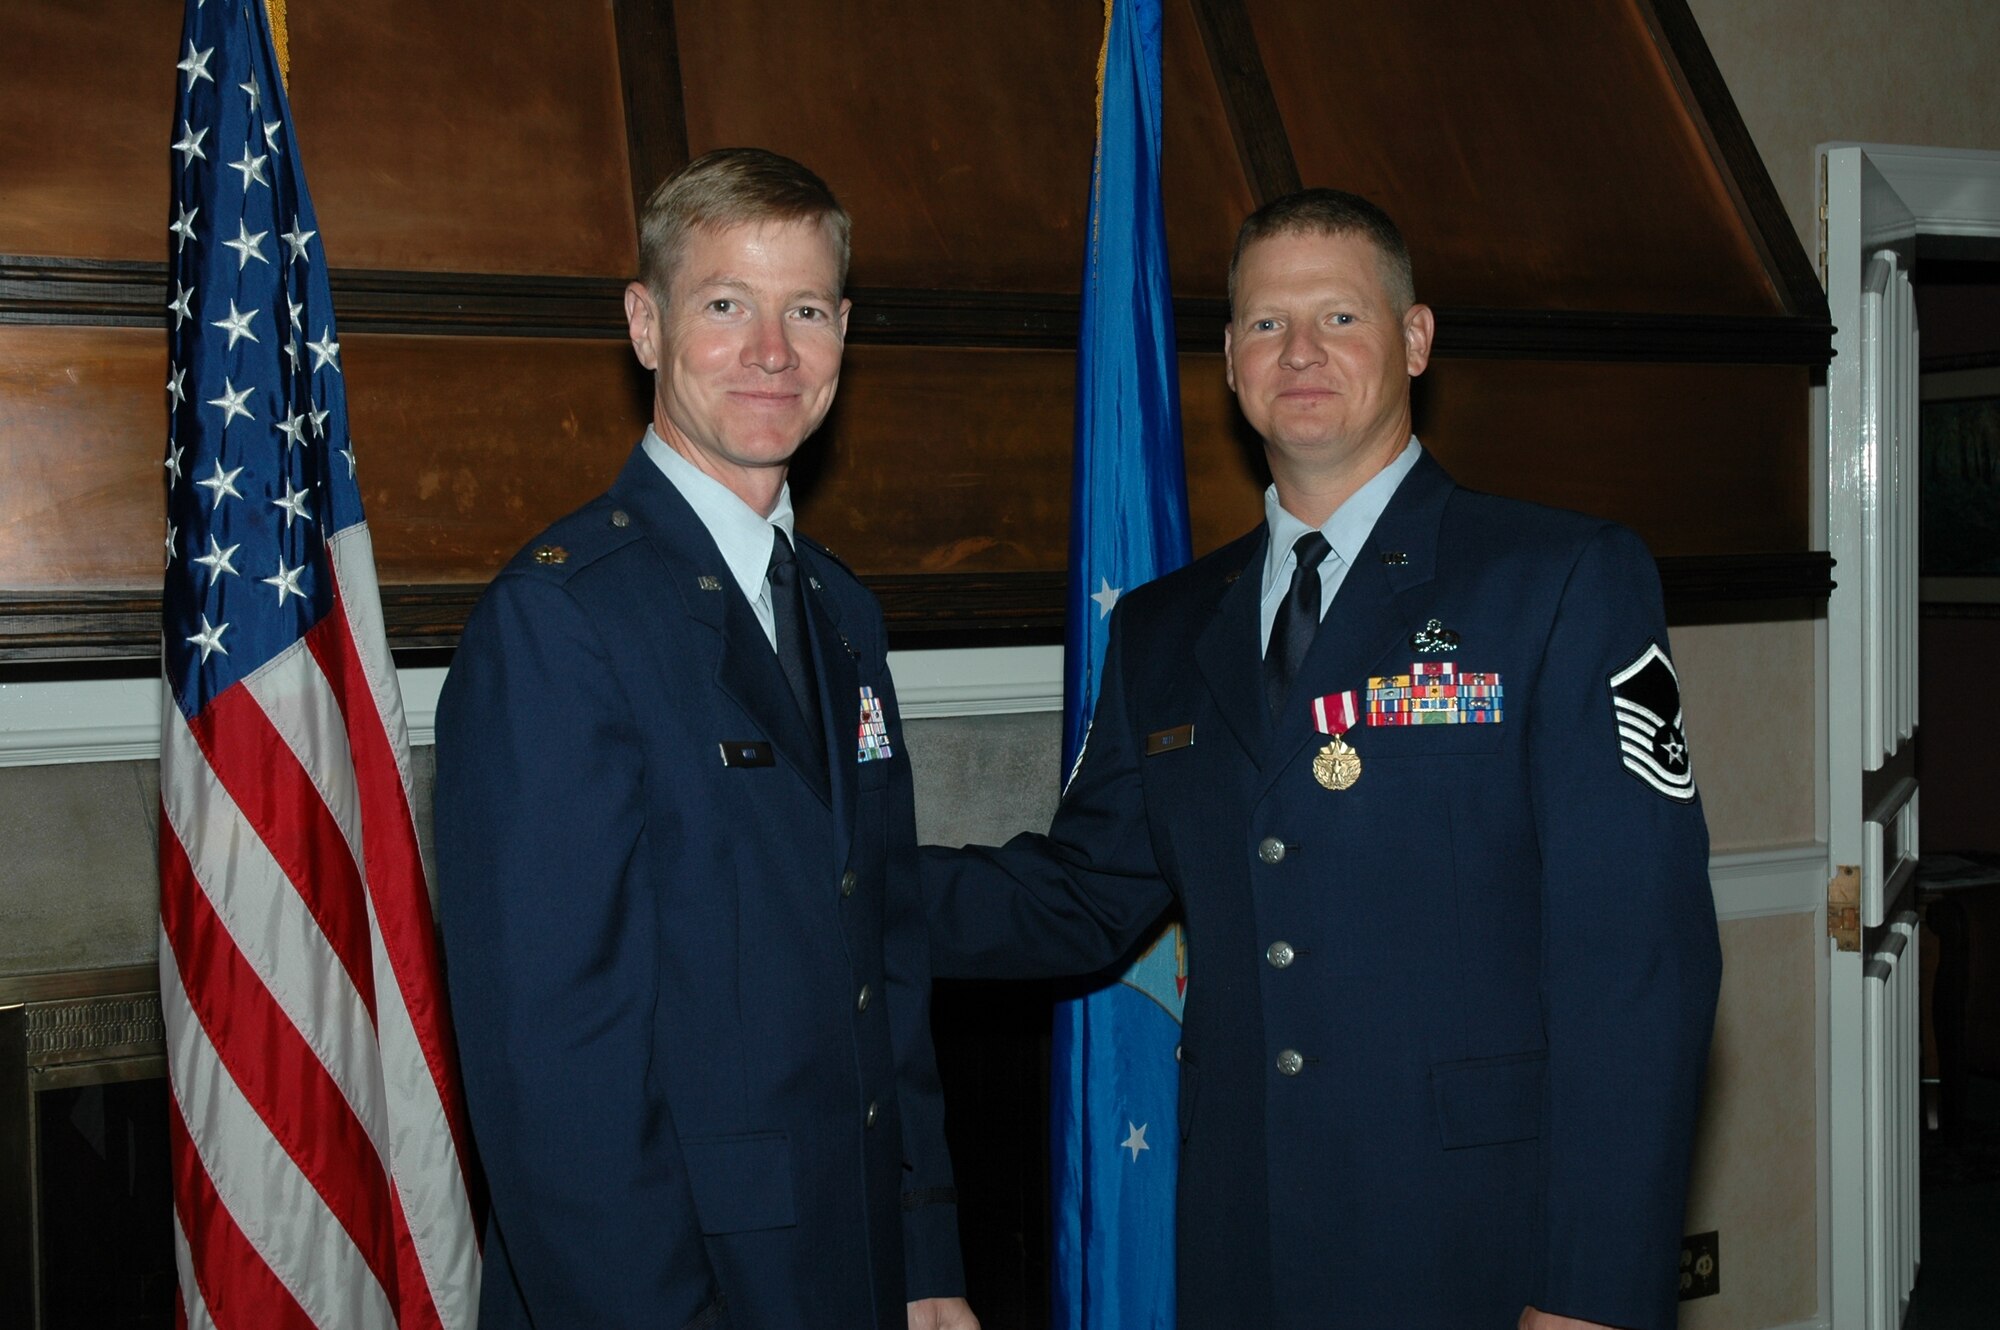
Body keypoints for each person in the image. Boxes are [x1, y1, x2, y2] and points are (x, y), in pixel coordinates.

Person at [924, 189, 1722, 1330]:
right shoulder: (1165, 625)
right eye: (1263, 323)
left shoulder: (1555, 580)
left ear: (1413, 339)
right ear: (1230, 361)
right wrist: (838, 875)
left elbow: (1638, 966)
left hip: (1478, 1245)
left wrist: (1590, 1291)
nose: (1297, 351)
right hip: (1243, 1235)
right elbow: (1080, 896)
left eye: (1338, 318)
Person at [435, 148, 976, 1330]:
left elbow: (880, 956)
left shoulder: (840, 610)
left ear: (844, 333)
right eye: (725, 304)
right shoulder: (560, 619)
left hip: (856, 1262)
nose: (771, 351)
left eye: (806, 310)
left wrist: (925, 1245)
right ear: (645, 323)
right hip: (673, 1284)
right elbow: (554, 1073)